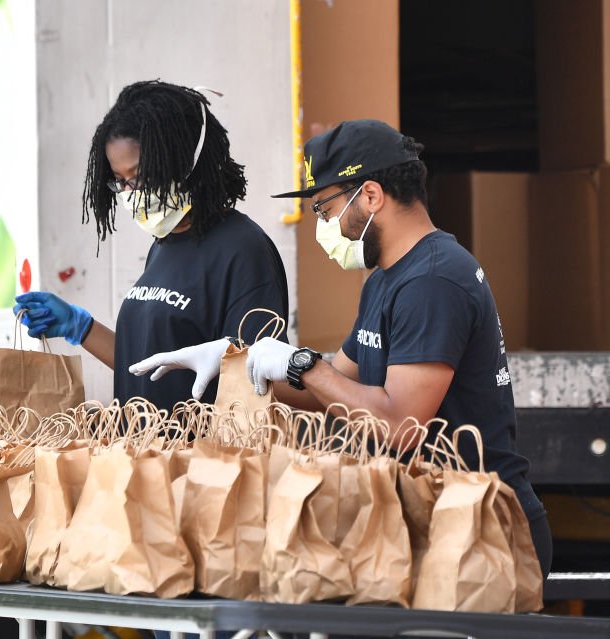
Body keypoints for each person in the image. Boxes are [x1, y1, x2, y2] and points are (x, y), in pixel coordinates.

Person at [130, 119, 552, 576]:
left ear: (370, 195)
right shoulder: (387, 279)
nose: (323, 226)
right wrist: (242, 360)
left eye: (323, 209)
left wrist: (300, 363)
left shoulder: (433, 280)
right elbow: (337, 388)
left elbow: (399, 424)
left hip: (484, 532)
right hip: (435, 523)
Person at [13, 80, 289, 410]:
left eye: (140, 176)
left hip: (203, 458)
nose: (131, 193)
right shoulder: (162, 245)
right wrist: (80, 327)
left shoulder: (244, 251)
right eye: (121, 182)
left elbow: (263, 379)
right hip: (143, 455)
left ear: (183, 160)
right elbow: (148, 367)